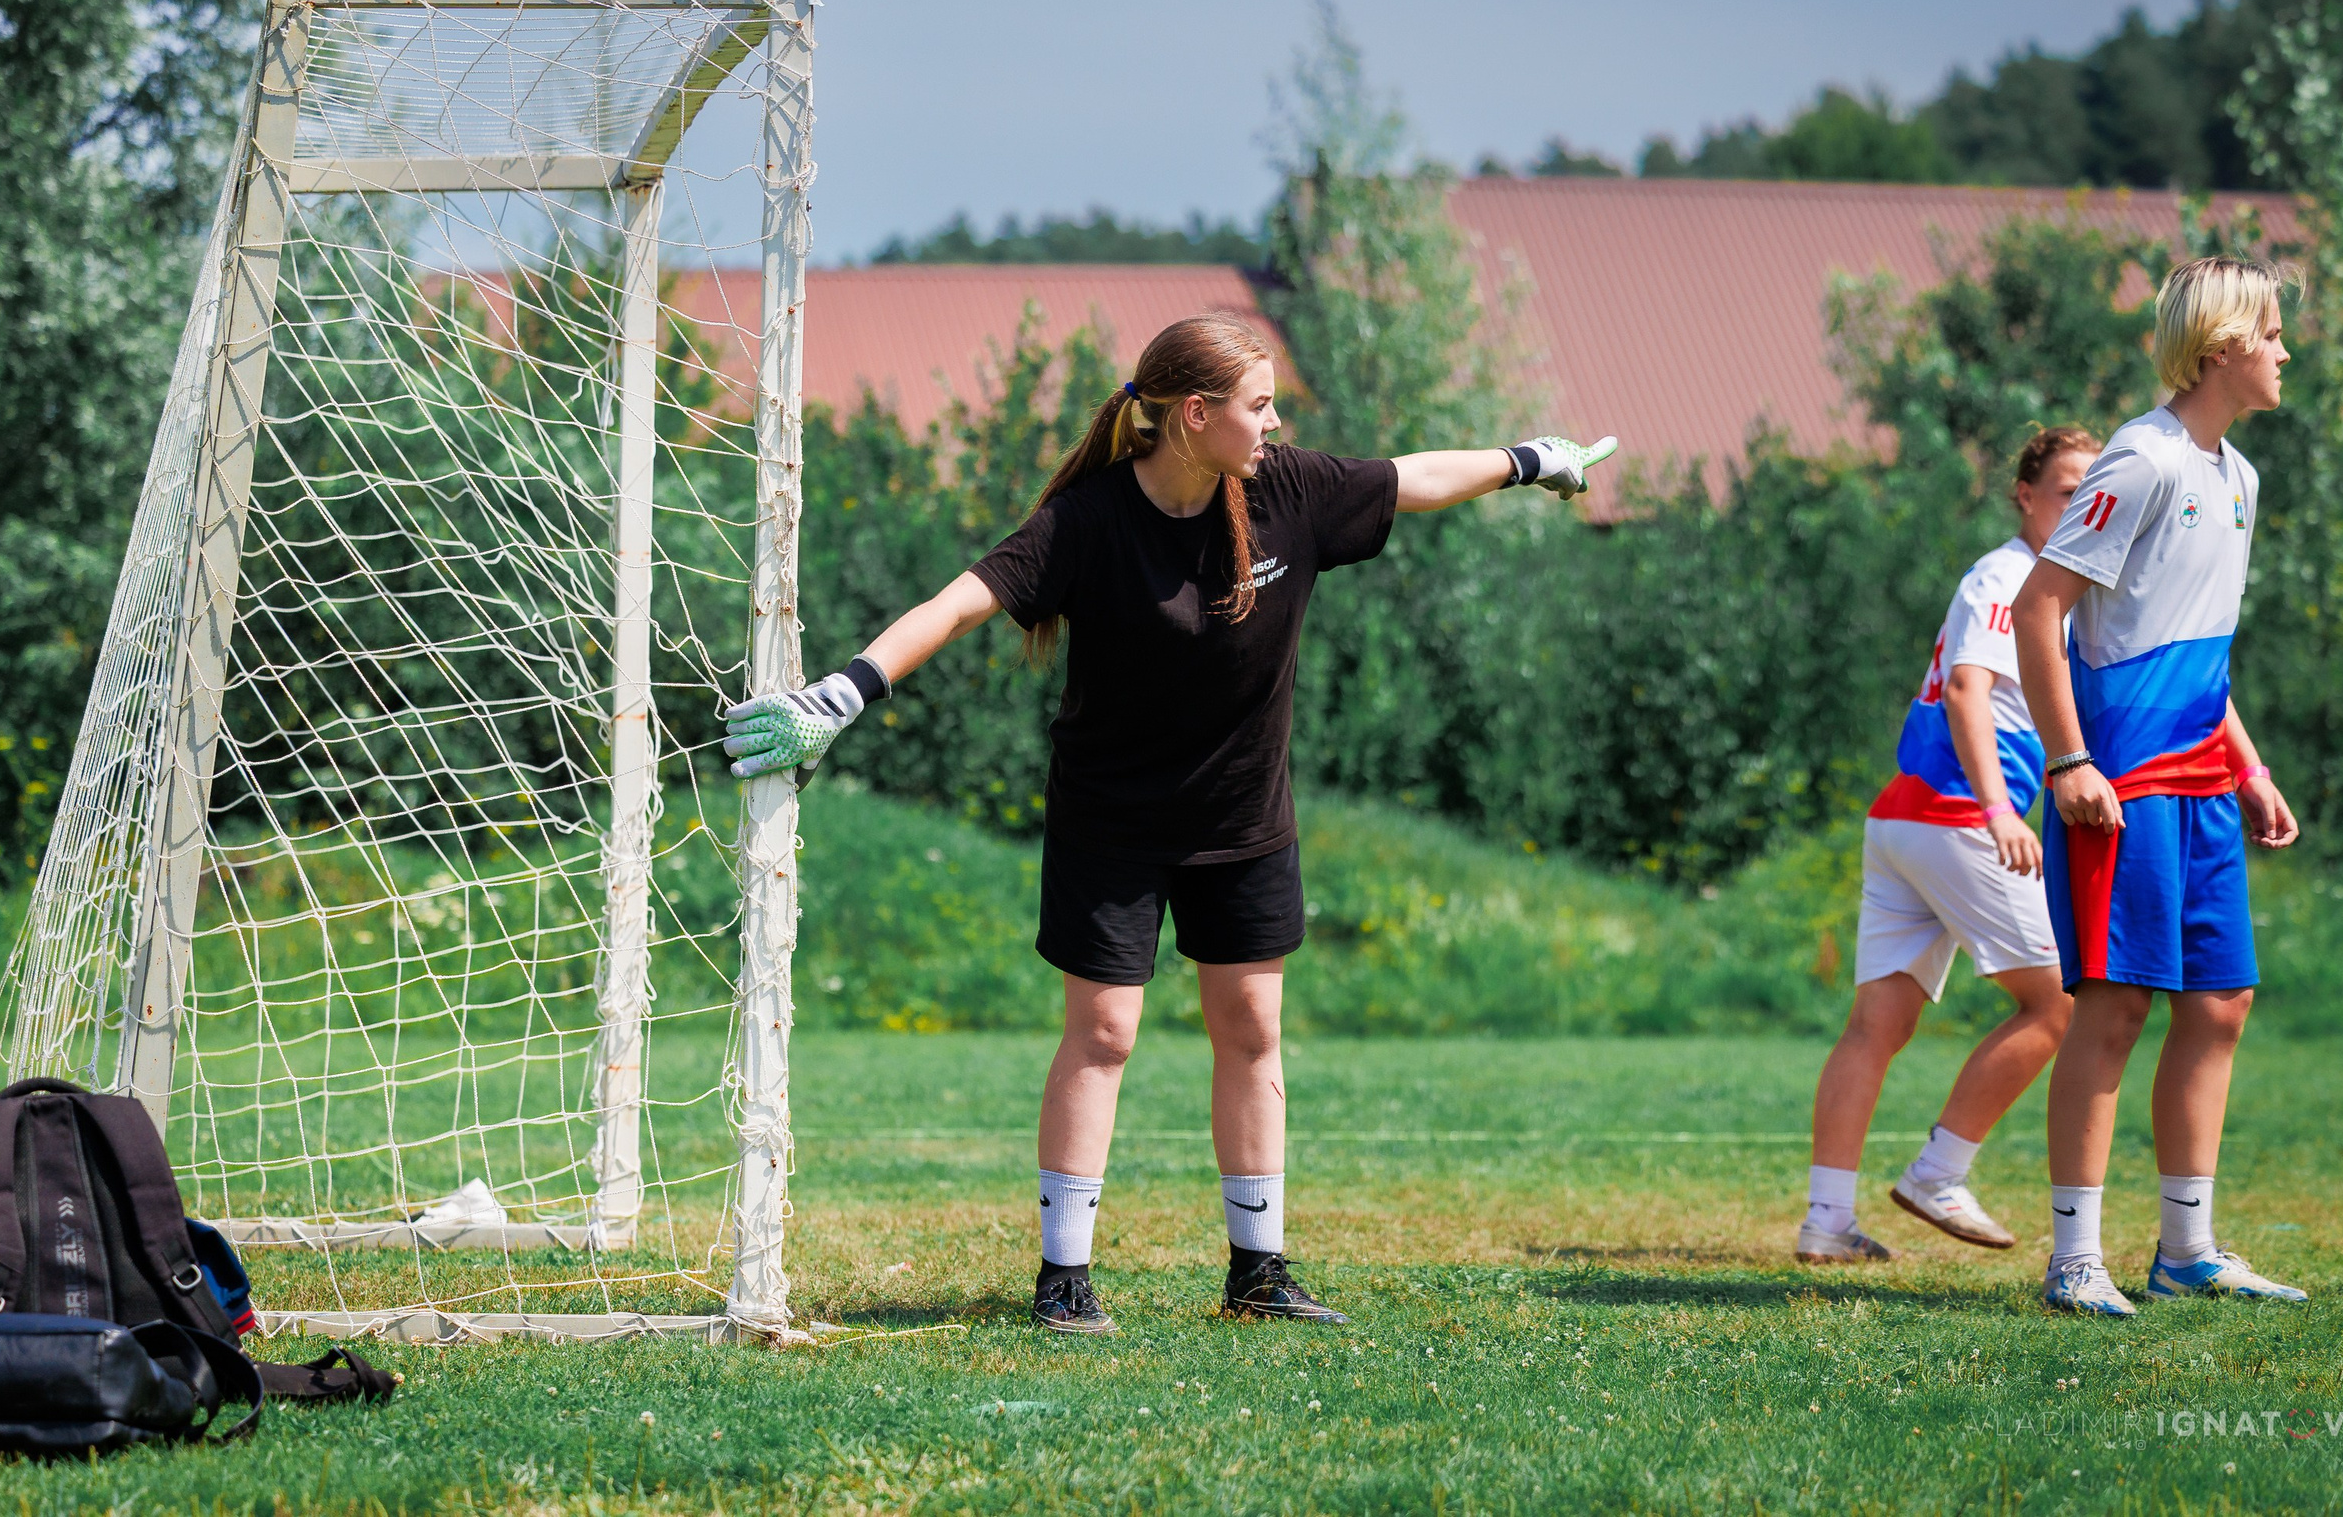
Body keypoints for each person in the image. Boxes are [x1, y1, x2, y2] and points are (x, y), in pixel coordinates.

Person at [718, 312, 1613, 1335]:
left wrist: (1531, 460)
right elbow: (962, 602)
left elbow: (1412, 476)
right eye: (1259, 405)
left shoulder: (1289, 492)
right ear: (1195, 415)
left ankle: (1259, 1271)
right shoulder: (1090, 522)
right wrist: (844, 693)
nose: (1275, 424)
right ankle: (1064, 1279)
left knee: (1253, 1028)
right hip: (1113, 825)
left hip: (1244, 818)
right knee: (1103, 1032)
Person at [2012, 255, 2306, 1318]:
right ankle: (2073, 1260)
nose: (2283, 352)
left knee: (2221, 1002)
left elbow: (2197, 646)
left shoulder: (2238, 477)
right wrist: (2068, 759)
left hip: (2202, 783)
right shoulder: (2138, 461)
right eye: (2270, 334)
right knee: (2116, 1007)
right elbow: (2037, 610)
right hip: (2118, 785)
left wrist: (2250, 766)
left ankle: (2187, 1249)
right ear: (2223, 345)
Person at [1796, 428, 2096, 1264]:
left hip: (1904, 817)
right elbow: (1968, 688)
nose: (2081, 505)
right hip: (1958, 815)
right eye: (2067, 489)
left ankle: (1825, 1222)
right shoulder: (2011, 577)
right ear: (2027, 496)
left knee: (1877, 1023)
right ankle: (1940, 1170)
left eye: (2092, 491)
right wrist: (2000, 808)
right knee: (2059, 1005)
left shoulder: (2048, 586)